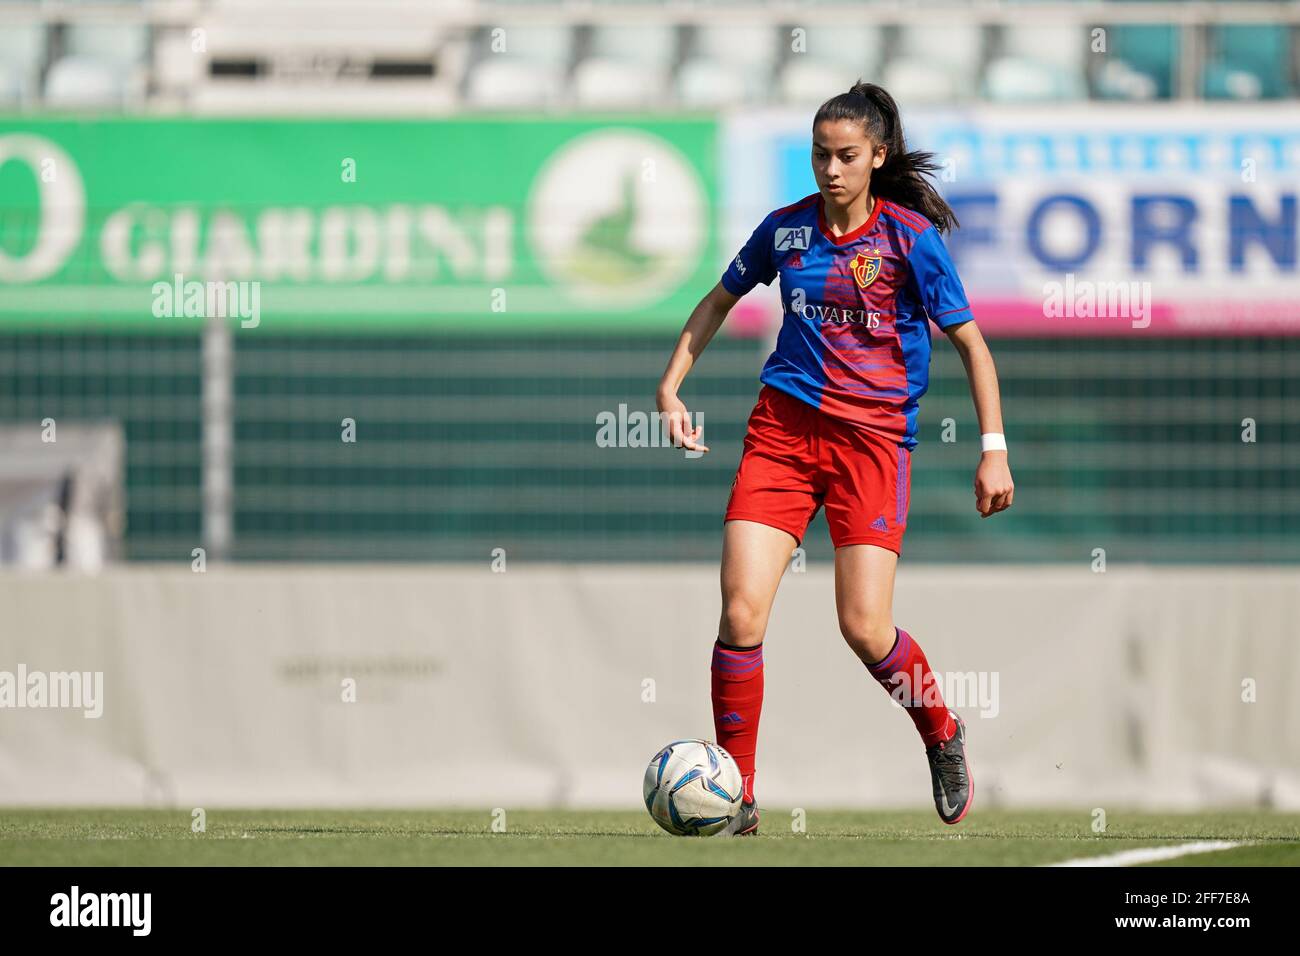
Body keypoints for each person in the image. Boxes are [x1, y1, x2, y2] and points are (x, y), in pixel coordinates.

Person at [656, 81, 1015, 835]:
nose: (830, 168)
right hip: (781, 436)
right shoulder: (785, 232)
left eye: (847, 155)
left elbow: (972, 347)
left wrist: (993, 451)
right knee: (741, 610)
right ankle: (739, 794)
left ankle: (941, 731)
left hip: (873, 446)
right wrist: (670, 385)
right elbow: (720, 300)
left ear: (878, 157)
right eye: (820, 154)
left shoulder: (910, 238)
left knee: (863, 627)